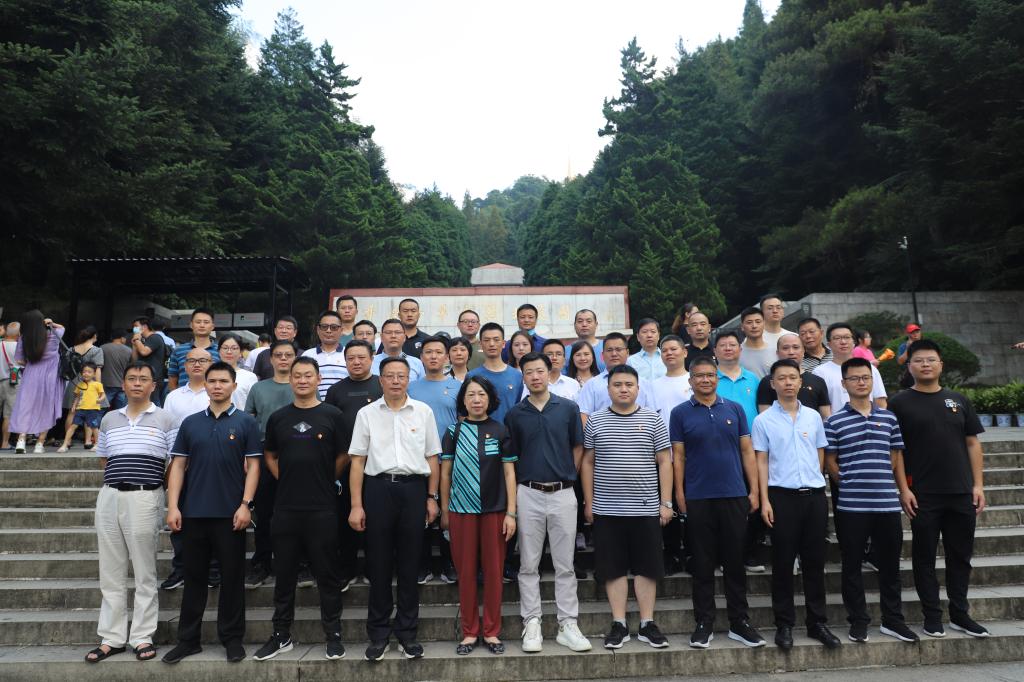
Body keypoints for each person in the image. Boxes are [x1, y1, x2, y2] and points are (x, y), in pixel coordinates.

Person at [889, 339, 990, 638]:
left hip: (961, 492)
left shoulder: (958, 400)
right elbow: (897, 451)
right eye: (919, 360)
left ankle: (960, 614)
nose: (925, 365)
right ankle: (931, 616)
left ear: (941, 365)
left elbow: (972, 443)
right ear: (909, 366)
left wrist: (978, 485)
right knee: (924, 558)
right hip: (923, 494)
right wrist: (903, 489)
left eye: (931, 360)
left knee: (960, 556)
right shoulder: (899, 403)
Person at [162, 362, 262, 664]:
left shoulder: (246, 422)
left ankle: (232, 639)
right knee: (193, 578)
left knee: (232, 579)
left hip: (231, 515)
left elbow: (254, 466)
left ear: (234, 386)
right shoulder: (191, 423)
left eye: (223, 381)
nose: (217, 386)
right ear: (205, 385)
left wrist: (246, 504)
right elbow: (178, 466)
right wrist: (173, 506)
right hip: (193, 512)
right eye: (212, 381)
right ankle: (188, 639)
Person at [254, 357, 348, 662]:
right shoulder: (279, 418)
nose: (303, 380)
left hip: (322, 507)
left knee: (327, 575)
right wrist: (285, 477)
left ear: (319, 379)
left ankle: (333, 634)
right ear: (291, 380)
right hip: (285, 508)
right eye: (298, 376)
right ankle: (281, 634)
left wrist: (326, 478)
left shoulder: (333, 415)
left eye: (308, 375)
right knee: (284, 575)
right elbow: (270, 454)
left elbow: (344, 455)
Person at [347, 356, 440, 662]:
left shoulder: (423, 412)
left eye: (401, 376)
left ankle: (407, 633)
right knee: (379, 564)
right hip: (378, 489)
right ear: (381, 380)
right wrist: (356, 504)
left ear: (408, 379)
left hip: (414, 490)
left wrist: (432, 497)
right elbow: (357, 461)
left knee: (410, 565)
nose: (396, 381)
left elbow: (432, 458)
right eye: (390, 376)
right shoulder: (367, 414)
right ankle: (378, 634)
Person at [670, 356, 764, 650]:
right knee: (702, 563)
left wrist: (754, 490)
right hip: (698, 496)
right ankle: (704, 623)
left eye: (710, 375)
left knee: (734, 561)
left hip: (734, 494)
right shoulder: (680, 413)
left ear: (717, 378)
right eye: (699, 376)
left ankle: (739, 621)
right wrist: (679, 493)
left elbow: (747, 452)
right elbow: (678, 457)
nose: (706, 380)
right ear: (691, 381)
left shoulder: (734, 409)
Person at [86, 362, 177, 664]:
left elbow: (176, 463)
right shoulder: (109, 419)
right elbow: (104, 459)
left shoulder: (166, 419)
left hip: (145, 496)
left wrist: (158, 489)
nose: (137, 383)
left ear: (154, 385)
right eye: (132, 379)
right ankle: (111, 638)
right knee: (110, 571)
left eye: (143, 379)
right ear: (123, 384)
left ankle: (142, 636)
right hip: (110, 495)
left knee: (144, 570)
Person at [824, 357, 919, 644]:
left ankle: (893, 620)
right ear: (844, 384)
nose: (861, 382)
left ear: (872, 381)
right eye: (854, 378)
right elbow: (830, 460)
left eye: (865, 377)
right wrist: (845, 480)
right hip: (851, 506)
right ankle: (858, 620)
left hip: (886, 503)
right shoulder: (834, 421)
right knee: (852, 565)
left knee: (890, 565)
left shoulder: (888, 418)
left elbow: (896, 455)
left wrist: (901, 488)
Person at [505, 352, 592, 654]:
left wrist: (568, 473)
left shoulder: (567, 408)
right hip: (528, 492)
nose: (535, 376)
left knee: (565, 564)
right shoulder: (515, 414)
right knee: (528, 563)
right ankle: (532, 621)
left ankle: (568, 623)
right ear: (523, 377)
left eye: (539, 370)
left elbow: (578, 446)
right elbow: (511, 457)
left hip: (563, 492)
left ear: (549, 372)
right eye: (529, 372)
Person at [582, 364, 672, 650]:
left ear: (638, 388)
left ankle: (647, 623)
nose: (623, 389)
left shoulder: (653, 419)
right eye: (617, 384)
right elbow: (588, 462)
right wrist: (589, 501)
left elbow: (665, 461)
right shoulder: (595, 420)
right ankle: (619, 623)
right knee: (613, 569)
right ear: (608, 389)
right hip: (607, 509)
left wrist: (666, 502)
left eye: (629, 384)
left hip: (645, 508)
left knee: (647, 568)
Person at [753, 359, 841, 651]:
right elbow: (761, 461)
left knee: (815, 562)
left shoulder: (813, 417)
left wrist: (816, 482)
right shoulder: (763, 421)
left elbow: (819, 453)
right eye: (782, 378)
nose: (788, 382)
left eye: (793, 377)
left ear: (801, 382)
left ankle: (817, 623)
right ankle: (784, 624)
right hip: (781, 497)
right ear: (773, 384)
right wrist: (765, 500)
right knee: (782, 563)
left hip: (813, 497)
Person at [440, 376, 518, 655]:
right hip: (461, 512)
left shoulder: (500, 430)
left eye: (481, 394)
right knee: (466, 572)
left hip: (495, 511)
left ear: (490, 399)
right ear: (463, 399)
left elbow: (509, 474)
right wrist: (445, 510)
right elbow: (445, 474)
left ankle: (492, 632)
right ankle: (470, 632)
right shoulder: (453, 432)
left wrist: (511, 513)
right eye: (471, 394)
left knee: (495, 573)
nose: (476, 400)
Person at [325, 339, 382, 589]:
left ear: (371, 359)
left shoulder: (382, 384)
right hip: (346, 464)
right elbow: (330, 427)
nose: (356, 362)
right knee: (345, 519)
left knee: (377, 520)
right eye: (351, 358)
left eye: (361, 357)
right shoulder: (336, 390)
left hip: (378, 465)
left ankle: (374, 568)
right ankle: (346, 570)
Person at [243, 339, 297, 589]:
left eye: (288, 355)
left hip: (298, 452)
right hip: (264, 452)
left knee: (297, 512)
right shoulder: (258, 388)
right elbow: (249, 422)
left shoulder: (302, 384)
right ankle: (262, 563)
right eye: (279, 355)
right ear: (271, 359)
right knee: (264, 513)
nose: (283, 359)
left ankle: (299, 563)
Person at [408, 336, 461, 584]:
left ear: (447, 357)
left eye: (439, 352)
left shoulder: (458, 387)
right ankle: (424, 564)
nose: (433, 356)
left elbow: (463, 422)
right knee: (422, 514)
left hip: (449, 459)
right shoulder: (411, 388)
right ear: (421, 357)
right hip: (418, 459)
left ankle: (450, 563)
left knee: (448, 514)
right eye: (428, 352)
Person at [160, 347, 213, 591]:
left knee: (213, 518)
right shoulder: (173, 396)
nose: (197, 364)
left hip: (213, 465)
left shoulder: (217, 390)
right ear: (184, 365)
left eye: (203, 360)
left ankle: (213, 569)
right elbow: (168, 431)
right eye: (192, 361)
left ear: (211, 363)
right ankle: (180, 568)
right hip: (181, 464)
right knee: (180, 516)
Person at [648, 334, 691, 574]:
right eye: (664, 350)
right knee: (668, 505)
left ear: (684, 352)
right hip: (663, 457)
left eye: (674, 349)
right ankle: (672, 554)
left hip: (692, 456)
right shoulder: (653, 385)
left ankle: (694, 553)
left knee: (692, 505)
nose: (669, 354)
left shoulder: (694, 380)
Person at [11, 311, 65, 454]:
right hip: (51, 377)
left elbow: (19, 360)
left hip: (31, 375)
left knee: (26, 407)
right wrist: (51, 323)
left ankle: (21, 441)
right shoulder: (54, 334)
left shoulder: (24, 338)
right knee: (47, 408)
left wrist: (31, 362)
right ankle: (39, 444)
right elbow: (62, 328)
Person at [577, 332, 657, 426]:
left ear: (627, 353)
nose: (614, 354)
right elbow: (583, 415)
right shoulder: (591, 385)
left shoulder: (643, 383)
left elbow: (652, 414)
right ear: (602, 355)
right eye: (609, 350)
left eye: (618, 349)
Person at [813, 323, 887, 415]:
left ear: (853, 342)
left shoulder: (869, 368)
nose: (843, 342)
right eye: (837, 338)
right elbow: (819, 406)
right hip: (836, 423)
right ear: (829, 345)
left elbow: (880, 401)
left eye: (847, 337)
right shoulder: (819, 372)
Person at [756, 333, 831, 418]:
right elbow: (764, 416)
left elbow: (825, 417)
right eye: (785, 348)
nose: (791, 352)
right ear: (777, 353)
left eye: (796, 347)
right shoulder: (767, 382)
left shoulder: (818, 381)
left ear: (803, 351)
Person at [467, 322, 523, 423]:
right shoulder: (472, 376)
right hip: (480, 431)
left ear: (503, 343)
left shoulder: (517, 375)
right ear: (480, 344)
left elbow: (519, 407)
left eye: (496, 340)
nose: (491, 344)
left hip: (510, 431)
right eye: (487, 340)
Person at [61, 326, 104, 435]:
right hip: (89, 383)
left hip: (73, 382)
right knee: (89, 411)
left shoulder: (71, 349)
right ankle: (87, 440)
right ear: (94, 336)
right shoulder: (97, 350)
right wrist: (98, 386)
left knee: (72, 412)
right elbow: (97, 369)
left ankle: (67, 440)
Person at [166, 308, 220, 391]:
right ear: (191, 325)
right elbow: (172, 380)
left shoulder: (220, 351)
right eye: (198, 322)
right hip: (183, 397)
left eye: (206, 322)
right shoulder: (178, 351)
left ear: (212, 326)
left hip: (212, 397)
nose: (202, 325)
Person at [714, 331, 759, 428]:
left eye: (732, 345)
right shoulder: (709, 380)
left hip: (752, 434)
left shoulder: (753, 378)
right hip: (719, 434)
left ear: (740, 349)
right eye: (722, 345)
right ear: (715, 351)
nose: (728, 348)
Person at [58, 362, 105, 452]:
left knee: (94, 427)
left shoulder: (97, 384)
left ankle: (97, 444)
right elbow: (77, 397)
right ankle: (65, 444)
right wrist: (74, 405)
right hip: (80, 409)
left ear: (94, 374)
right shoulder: (80, 384)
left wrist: (100, 399)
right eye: (84, 372)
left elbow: (103, 395)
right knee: (73, 426)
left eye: (89, 372)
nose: (86, 374)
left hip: (92, 409)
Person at [302, 310, 349, 399]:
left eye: (334, 327)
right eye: (324, 327)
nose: (328, 331)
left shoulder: (349, 354)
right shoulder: (307, 355)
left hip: (342, 404)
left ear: (341, 330)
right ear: (318, 330)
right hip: (313, 405)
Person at [130, 316, 168, 406]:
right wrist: (135, 344)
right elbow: (134, 360)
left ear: (144, 327)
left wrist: (137, 339)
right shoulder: (143, 341)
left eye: (136, 326)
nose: (134, 329)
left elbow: (144, 352)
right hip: (144, 377)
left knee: (153, 403)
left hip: (154, 378)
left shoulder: (155, 337)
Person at [216, 332, 259, 411]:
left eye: (234, 348)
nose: (229, 352)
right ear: (219, 351)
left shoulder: (249, 377)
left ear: (241, 352)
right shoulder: (210, 375)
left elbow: (254, 406)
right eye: (225, 348)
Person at [253, 316, 300, 381]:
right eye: (280, 327)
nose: (284, 331)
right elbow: (256, 378)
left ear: (295, 332)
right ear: (275, 331)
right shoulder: (263, 355)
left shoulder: (303, 354)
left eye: (288, 328)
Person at [99, 330, 132, 412]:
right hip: (122, 385)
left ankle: (98, 421)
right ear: (122, 338)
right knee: (121, 410)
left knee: (100, 409)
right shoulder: (129, 350)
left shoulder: (103, 348)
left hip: (107, 384)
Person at [564, 308, 604, 373]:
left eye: (589, 321)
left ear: (596, 324)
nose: (584, 324)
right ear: (574, 325)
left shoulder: (606, 347)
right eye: (580, 321)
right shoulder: (565, 351)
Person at [0, 321, 20, 449]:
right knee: (8, 415)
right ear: (18, 334)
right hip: (12, 382)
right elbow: (24, 363)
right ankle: (5, 443)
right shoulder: (19, 347)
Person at [738, 307, 773, 379]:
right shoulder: (736, 353)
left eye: (758, 322)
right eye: (749, 322)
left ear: (764, 324)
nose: (754, 326)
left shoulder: (775, 350)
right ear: (742, 326)